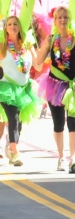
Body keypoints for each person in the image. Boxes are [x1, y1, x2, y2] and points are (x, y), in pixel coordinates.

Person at [34, 6, 75, 173]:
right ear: (55, 21)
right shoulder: (51, 39)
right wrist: (40, 47)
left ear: (70, 20)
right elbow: (39, 62)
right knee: (58, 124)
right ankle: (61, 157)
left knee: (74, 123)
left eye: (65, 17)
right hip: (55, 86)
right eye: (59, 17)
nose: (62, 20)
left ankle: (74, 159)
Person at [0, 16, 37, 166]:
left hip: (24, 89)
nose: (13, 26)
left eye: (15, 23)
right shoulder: (2, 46)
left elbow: (38, 64)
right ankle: (15, 152)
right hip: (7, 88)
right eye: (9, 24)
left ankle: (10, 148)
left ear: (20, 26)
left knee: (19, 122)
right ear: (5, 28)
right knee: (13, 118)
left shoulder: (27, 45)